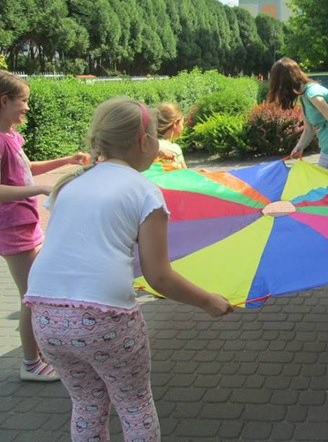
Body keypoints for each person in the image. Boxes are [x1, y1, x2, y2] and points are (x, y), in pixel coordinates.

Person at [24, 97, 232, 440]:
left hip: (44, 317)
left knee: (87, 403)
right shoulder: (145, 191)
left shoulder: (69, 185)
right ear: (143, 140)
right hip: (105, 317)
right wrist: (208, 301)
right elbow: (159, 276)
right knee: (134, 403)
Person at [0, 70, 89, 382]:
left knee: (38, 292)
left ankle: (38, 354)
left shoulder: (11, 137)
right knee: (32, 295)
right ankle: (30, 363)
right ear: (4, 101)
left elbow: (26, 169)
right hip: (13, 230)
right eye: (23, 101)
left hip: (26, 226)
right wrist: (38, 190)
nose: (26, 107)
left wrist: (67, 160)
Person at [266, 57, 328, 174]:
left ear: (285, 82)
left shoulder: (313, 95)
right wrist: (299, 147)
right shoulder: (304, 95)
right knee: (326, 187)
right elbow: (308, 130)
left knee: (324, 186)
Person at [156, 101, 187, 170]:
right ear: (175, 124)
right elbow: (185, 173)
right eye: (182, 123)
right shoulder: (175, 149)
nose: (183, 126)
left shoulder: (150, 145)